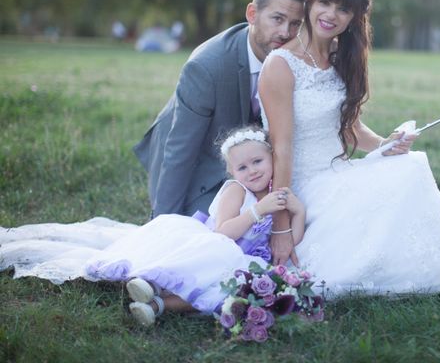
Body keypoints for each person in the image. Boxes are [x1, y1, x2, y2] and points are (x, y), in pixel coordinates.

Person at [259, 0, 440, 295]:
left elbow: (349, 128)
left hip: (338, 171)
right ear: (311, 1)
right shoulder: (280, 65)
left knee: (409, 167)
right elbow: (282, 147)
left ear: (354, 17)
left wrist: (384, 145)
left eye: (343, 8)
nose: (331, 14)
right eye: (325, 2)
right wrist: (280, 225)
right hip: (301, 185)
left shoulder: (339, 56)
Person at [0, 127, 305, 327]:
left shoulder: (280, 196)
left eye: (257, 162)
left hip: (239, 262)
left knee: (218, 290)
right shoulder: (239, 192)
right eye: (242, 167)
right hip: (213, 248)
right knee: (199, 268)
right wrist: (257, 210)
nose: (251, 171)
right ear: (230, 171)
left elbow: (293, 240)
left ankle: (157, 306)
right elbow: (222, 233)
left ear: (272, 160)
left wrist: (298, 212)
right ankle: (152, 284)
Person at [134, 0, 304, 218]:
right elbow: (180, 151)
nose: (285, 32)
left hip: (249, 160)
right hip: (197, 158)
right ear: (252, 14)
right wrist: (163, 224)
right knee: (226, 225)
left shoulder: (296, 59)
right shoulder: (207, 67)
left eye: (295, 24)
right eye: (277, 19)